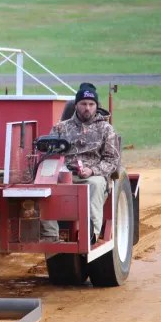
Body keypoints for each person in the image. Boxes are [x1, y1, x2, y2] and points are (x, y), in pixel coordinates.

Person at [40, 82, 121, 243]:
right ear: (76, 105)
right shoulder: (60, 128)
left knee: (95, 185)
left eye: (91, 104)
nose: (87, 108)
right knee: (44, 185)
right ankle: (50, 233)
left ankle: (91, 233)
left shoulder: (105, 129)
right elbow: (47, 155)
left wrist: (92, 170)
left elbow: (112, 160)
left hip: (92, 175)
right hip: (64, 174)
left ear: (96, 106)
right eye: (83, 103)